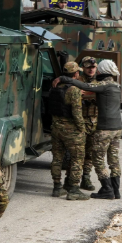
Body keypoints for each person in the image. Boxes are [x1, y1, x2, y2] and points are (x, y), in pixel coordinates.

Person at [59, 59, 122, 199]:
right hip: (117, 128)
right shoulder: (116, 85)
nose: (96, 71)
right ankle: (115, 191)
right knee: (114, 160)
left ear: (103, 71)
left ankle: (107, 189)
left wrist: (64, 78)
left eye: (98, 69)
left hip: (105, 128)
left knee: (98, 158)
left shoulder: (104, 85)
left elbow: (85, 86)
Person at [48, 62, 89, 200]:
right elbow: (77, 113)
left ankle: (57, 187)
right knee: (77, 158)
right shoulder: (74, 90)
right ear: (76, 74)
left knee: (57, 158)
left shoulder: (54, 87)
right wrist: (82, 129)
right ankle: (74, 190)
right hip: (71, 130)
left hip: (56, 127)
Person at [76, 57, 99, 192]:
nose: (91, 69)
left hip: (94, 122)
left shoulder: (100, 82)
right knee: (77, 153)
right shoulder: (77, 82)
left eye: (93, 67)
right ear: (83, 68)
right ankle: (72, 181)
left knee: (90, 153)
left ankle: (86, 178)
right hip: (80, 122)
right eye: (88, 67)